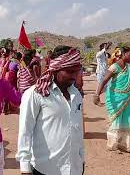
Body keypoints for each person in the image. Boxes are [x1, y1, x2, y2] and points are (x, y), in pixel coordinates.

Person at [16, 46, 84, 175]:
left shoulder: (76, 95)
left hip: (74, 168)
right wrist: (25, 168)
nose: (74, 76)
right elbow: (25, 131)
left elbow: (78, 130)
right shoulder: (36, 94)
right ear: (56, 69)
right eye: (69, 71)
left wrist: (81, 158)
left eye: (77, 71)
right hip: (45, 169)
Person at [94, 46, 130, 153]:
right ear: (123, 54)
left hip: (127, 98)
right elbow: (104, 81)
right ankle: (113, 143)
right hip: (115, 98)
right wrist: (97, 95)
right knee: (116, 120)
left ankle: (125, 144)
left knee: (129, 116)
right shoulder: (114, 67)